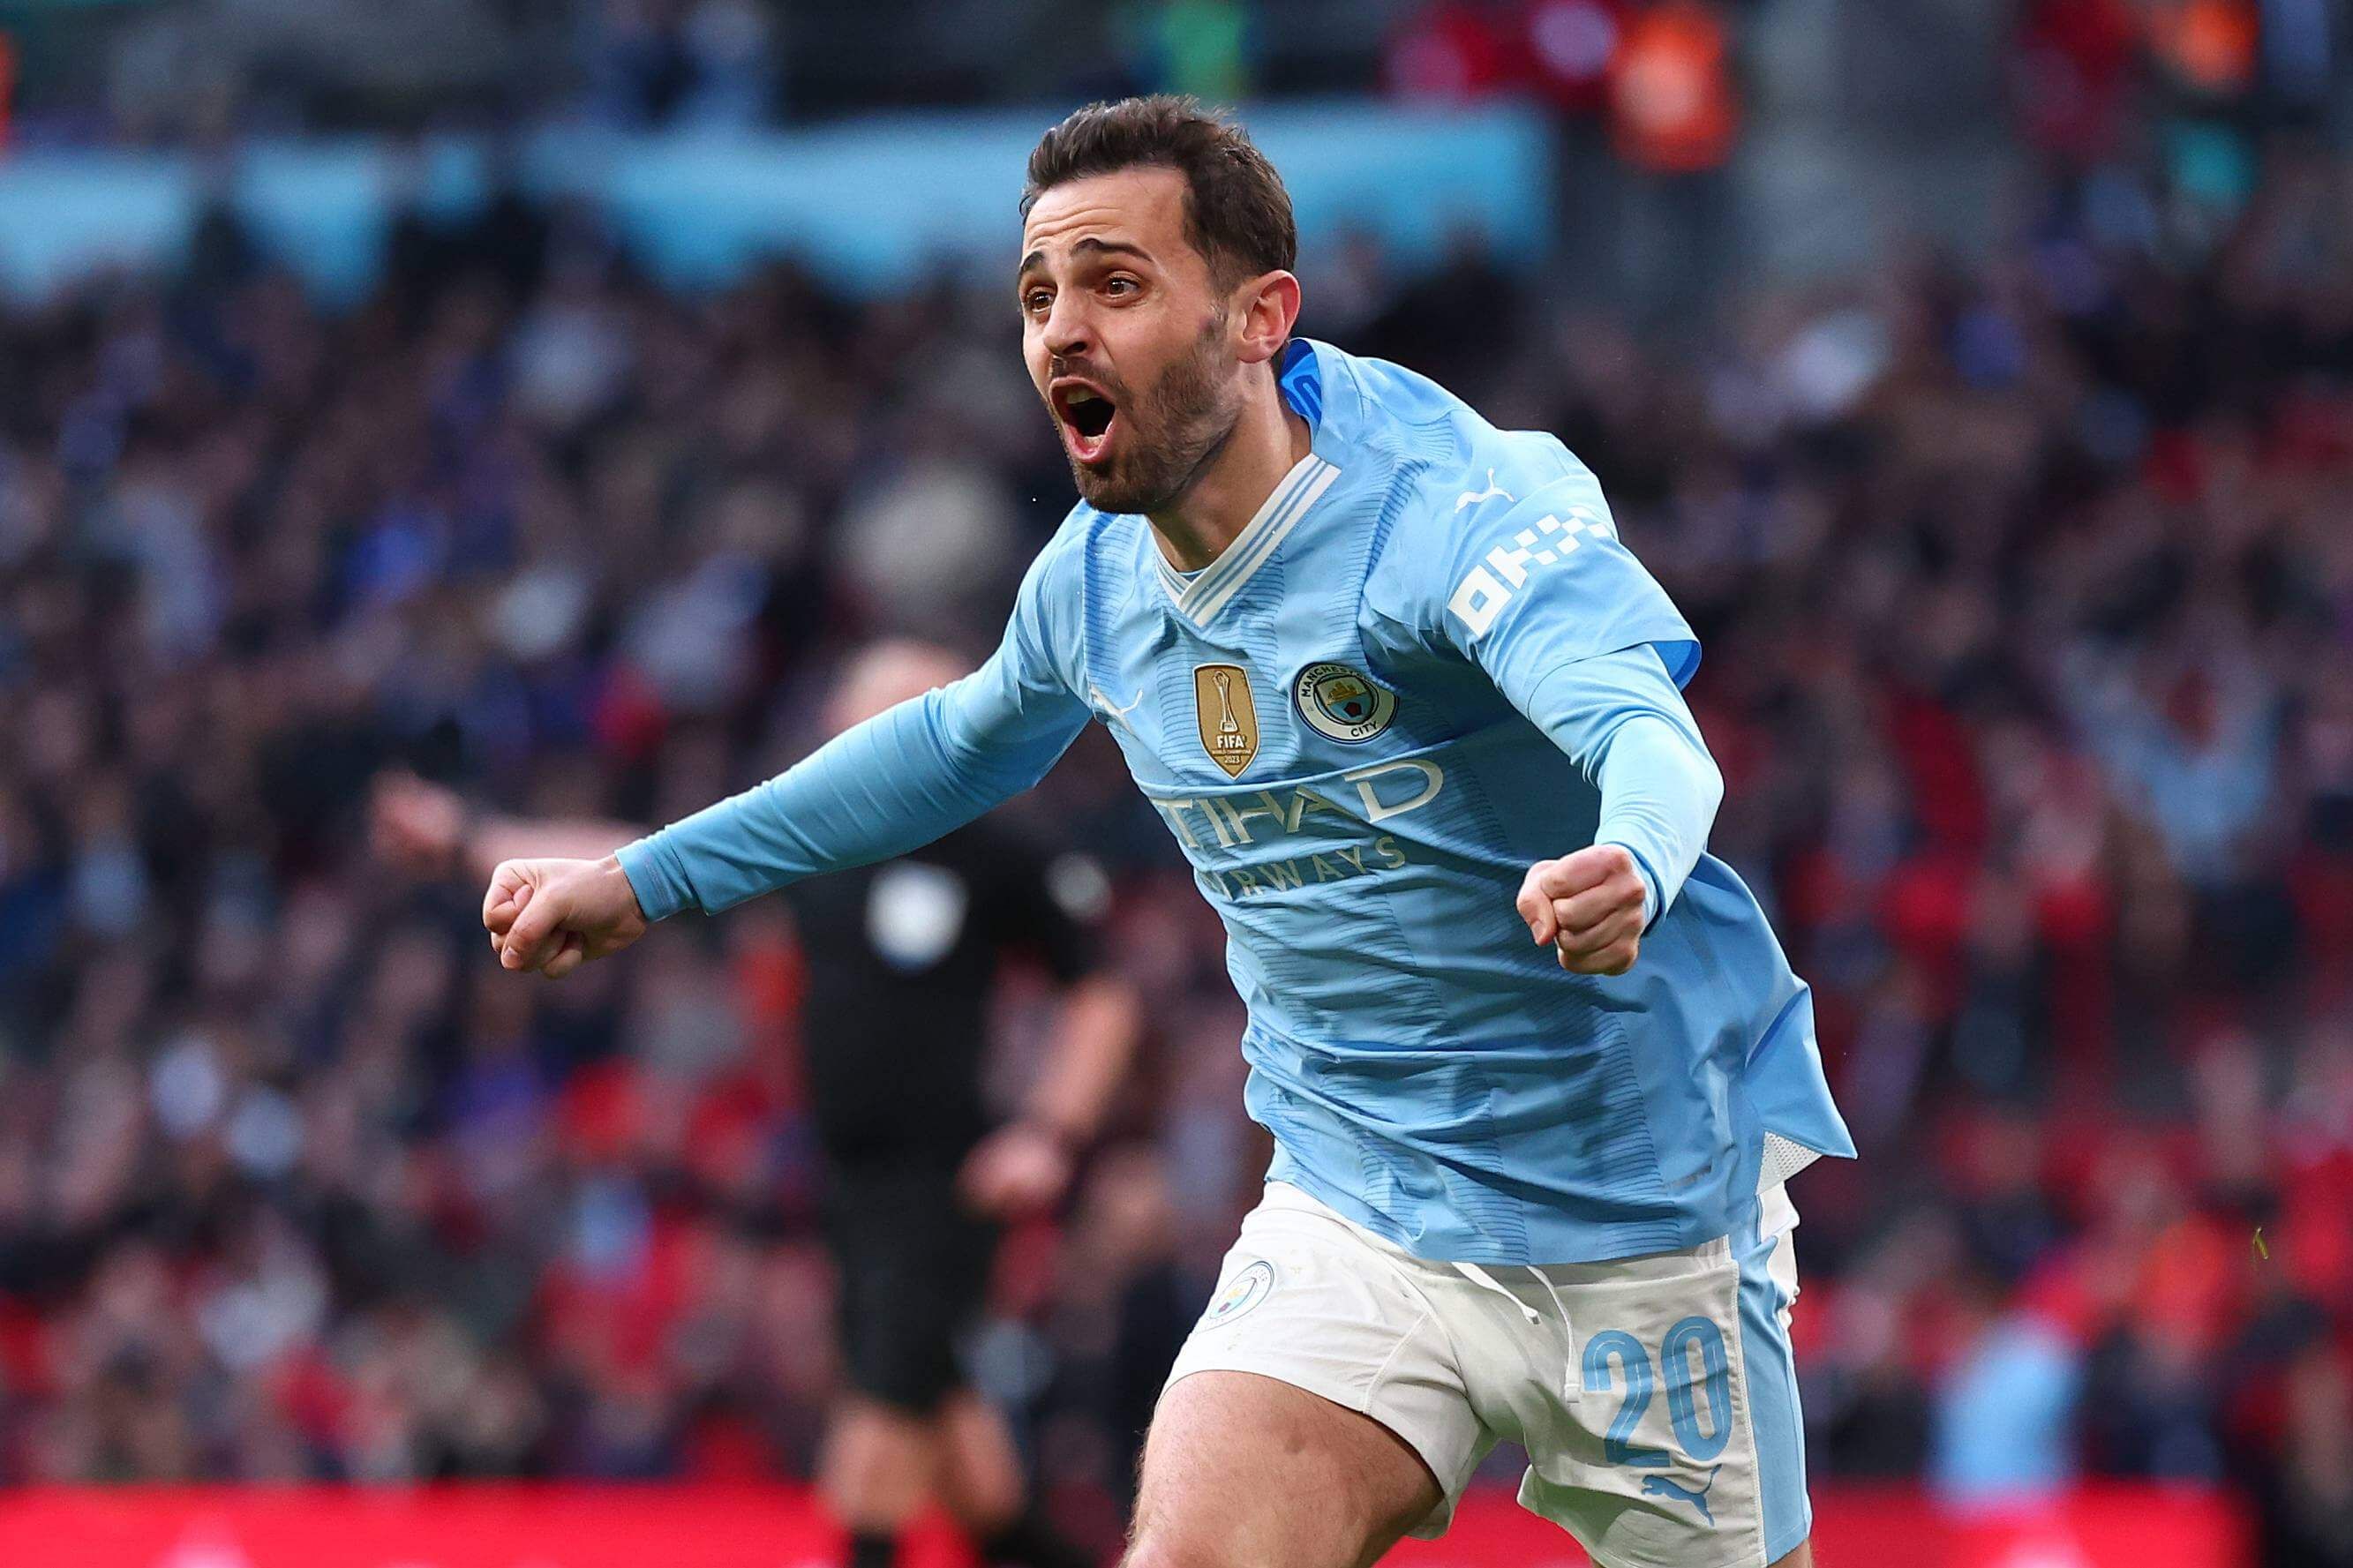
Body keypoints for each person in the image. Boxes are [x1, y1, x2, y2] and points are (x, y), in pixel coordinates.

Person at [480, 95, 1853, 1568]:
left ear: (1262, 317)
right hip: (1362, 1209)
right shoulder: (1097, 583)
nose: (1061, 328)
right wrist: (645, 879)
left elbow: (1641, 730)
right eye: (1039, 293)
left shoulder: (1446, 514)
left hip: (1640, 1217)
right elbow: (951, 744)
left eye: (1115, 284)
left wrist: (1634, 856)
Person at [377, 641, 1136, 1568]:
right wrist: (466, 839)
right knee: (976, 1487)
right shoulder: (820, 841)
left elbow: (1102, 992)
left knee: (876, 1440)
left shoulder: (997, 845)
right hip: (850, 1180)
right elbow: (627, 857)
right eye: (876, 713)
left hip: (946, 1183)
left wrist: (1048, 1132)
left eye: (921, 709)